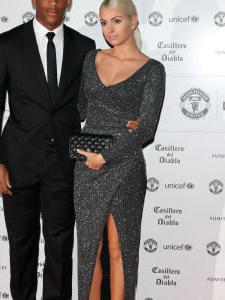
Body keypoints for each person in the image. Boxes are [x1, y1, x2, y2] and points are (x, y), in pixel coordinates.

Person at [0, 0, 96, 299]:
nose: (53, 3)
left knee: (60, 248)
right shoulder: (7, 43)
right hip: (18, 163)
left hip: (66, 165)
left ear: (69, 2)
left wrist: (128, 122)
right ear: (34, 1)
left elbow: (94, 103)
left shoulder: (86, 46)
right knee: (22, 246)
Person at [74, 0, 166, 299]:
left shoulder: (152, 70)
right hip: (88, 164)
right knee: (89, 249)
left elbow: (147, 128)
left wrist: (108, 156)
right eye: (103, 22)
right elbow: (79, 109)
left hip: (125, 165)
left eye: (116, 21)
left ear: (134, 21)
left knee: (119, 249)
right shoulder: (91, 58)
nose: (109, 29)